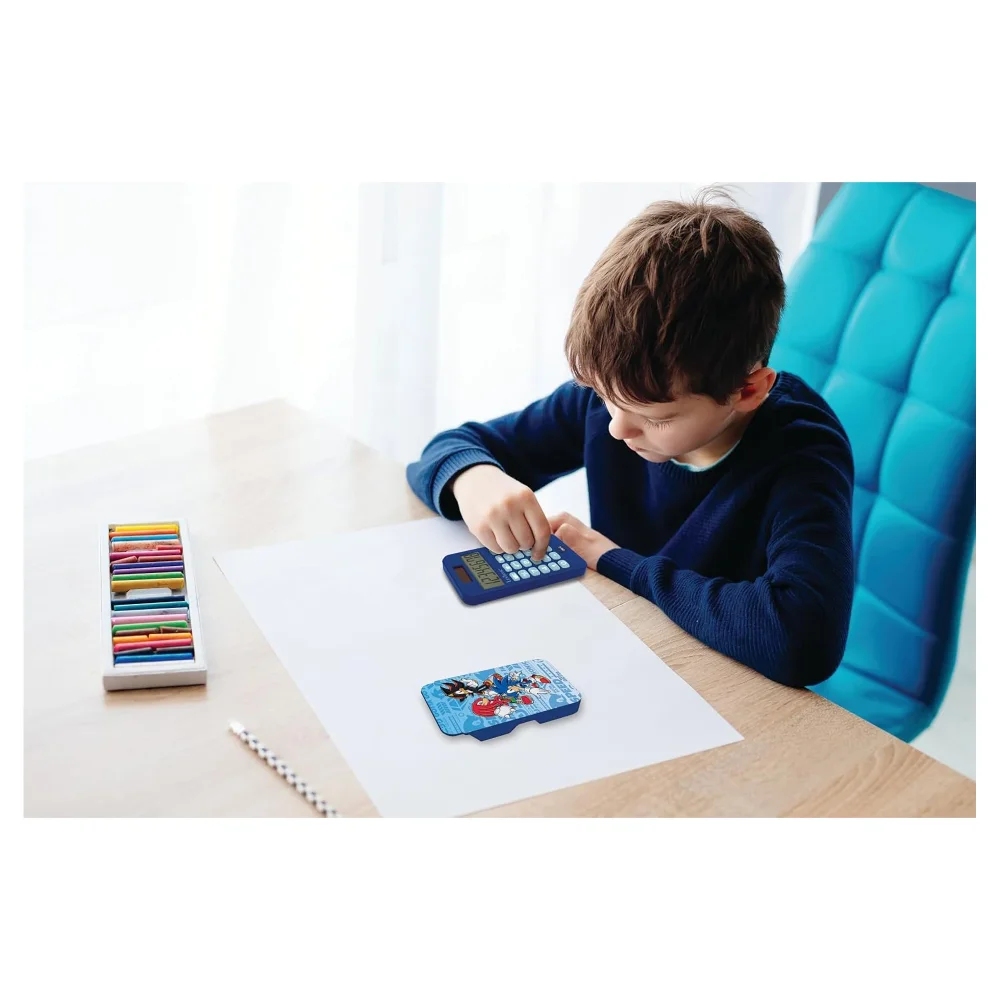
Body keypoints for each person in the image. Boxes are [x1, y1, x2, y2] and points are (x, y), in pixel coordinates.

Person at [406, 192, 854, 688]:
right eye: (604, 397)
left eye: (654, 418)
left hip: (718, 686)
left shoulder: (802, 451)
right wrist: (475, 478)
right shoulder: (616, 397)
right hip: (626, 652)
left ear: (747, 391)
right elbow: (443, 452)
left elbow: (801, 640)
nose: (617, 428)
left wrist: (612, 561)